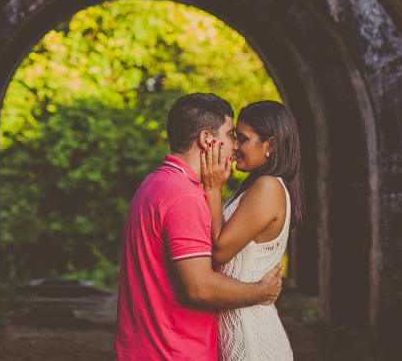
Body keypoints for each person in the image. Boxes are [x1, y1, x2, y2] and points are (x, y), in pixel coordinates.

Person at [115, 93, 283, 361]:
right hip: (174, 353)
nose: (235, 147)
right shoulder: (184, 196)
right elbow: (199, 287)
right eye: (231, 135)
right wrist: (261, 292)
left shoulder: (154, 183)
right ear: (207, 139)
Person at [200, 100, 306, 361]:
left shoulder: (268, 187)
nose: (234, 145)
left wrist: (213, 189)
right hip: (239, 333)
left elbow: (220, 251)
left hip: (252, 341)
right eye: (235, 136)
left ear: (270, 145)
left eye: (243, 139)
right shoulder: (254, 186)